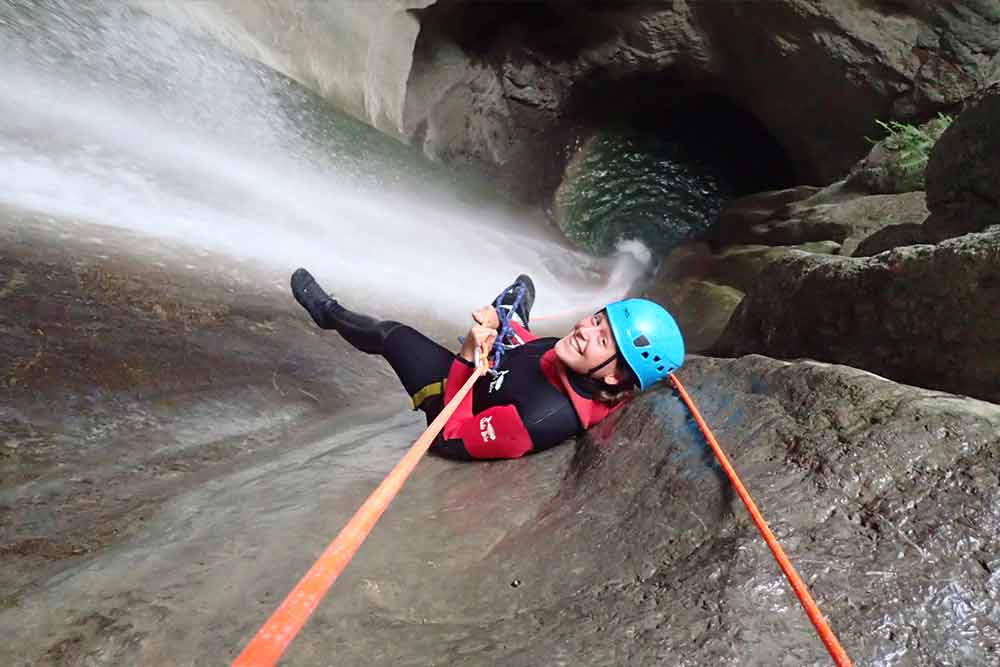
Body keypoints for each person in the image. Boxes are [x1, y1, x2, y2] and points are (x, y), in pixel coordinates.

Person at [290, 268, 685, 460]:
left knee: (391, 335)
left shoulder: (540, 418)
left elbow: (447, 439)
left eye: (602, 339)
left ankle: (329, 313)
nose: (584, 329)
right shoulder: (578, 365)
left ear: (615, 374)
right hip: (503, 369)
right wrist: (508, 327)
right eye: (597, 319)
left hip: (455, 399)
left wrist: (466, 357)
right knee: (512, 307)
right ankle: (517, 310)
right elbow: (533, 356)